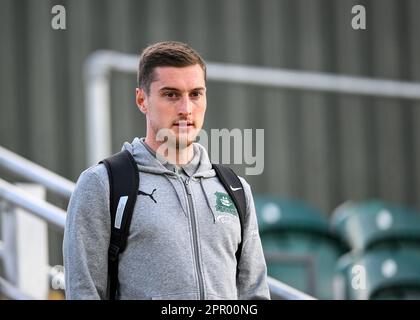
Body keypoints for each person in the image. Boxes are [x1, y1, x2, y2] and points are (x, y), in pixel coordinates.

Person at [63, 41, 270, 300]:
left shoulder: (235, 189)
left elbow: (254, 294)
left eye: (195, 94)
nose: (186, 109)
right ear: (142, 100)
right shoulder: (103, 184)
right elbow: (84, 292)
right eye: (171, 94)